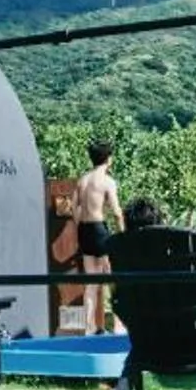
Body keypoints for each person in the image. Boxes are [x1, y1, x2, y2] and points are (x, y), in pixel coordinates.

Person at [76, 141, 123, 330]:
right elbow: (117, 212)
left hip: (84, 231)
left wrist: (80, 225)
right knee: (112, 279)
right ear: (108, 159)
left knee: (91, 282)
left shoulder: (83, 180)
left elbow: (74, 208)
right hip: (99, 229)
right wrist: (123, 235)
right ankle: (119, 326)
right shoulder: (107, 181)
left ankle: (89, 327)